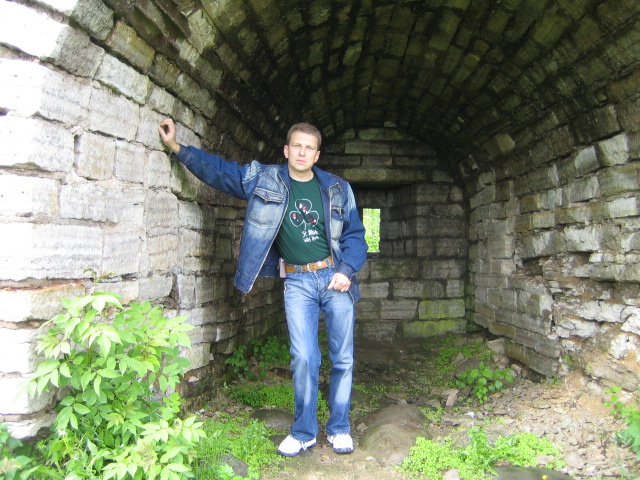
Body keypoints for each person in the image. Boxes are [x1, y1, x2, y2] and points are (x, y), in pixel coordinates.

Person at [158, 119, 368, 456]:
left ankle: (339, 427)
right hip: (297, 281)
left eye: (309, 148)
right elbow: (223, 173)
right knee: (304, 357)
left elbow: (355, 236)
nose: (302, 152)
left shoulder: (338, 188)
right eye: (296, 146)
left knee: (343, 357)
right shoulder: (264, 179)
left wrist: (346, 270)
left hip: (334, 278)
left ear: (317, 155)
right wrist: (177, 149)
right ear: (286, 150)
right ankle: (304, 432)